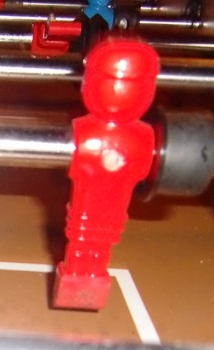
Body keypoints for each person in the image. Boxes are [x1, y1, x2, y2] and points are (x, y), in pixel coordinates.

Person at [53, 39, 159, 310]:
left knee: (100, 239)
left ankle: (86, 280)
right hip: (85, 212)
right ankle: (78, 278)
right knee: (83, 237)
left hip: (109, 213)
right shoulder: (86, 132)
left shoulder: (143, 137)